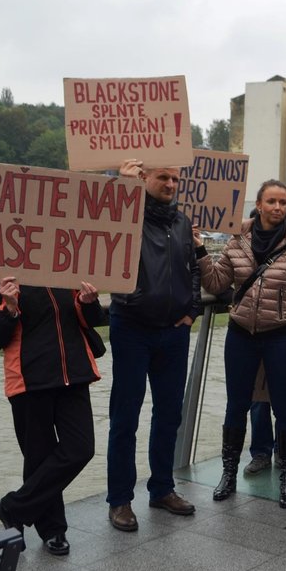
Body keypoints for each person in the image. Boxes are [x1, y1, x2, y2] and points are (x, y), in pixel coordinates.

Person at [196, 179, 286, 509]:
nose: (278, 208)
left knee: (285, 408)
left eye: (283, 202)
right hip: (240, 335)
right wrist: (199, 250)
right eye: (272, 202)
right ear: (259, 204)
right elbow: (217, 282)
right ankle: (229, 474)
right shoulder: (237, 240)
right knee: (236, 405)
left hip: (281, 337)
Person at [106, 160, 201, 532]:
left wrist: (192, 309)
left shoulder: (181, 222)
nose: (171, 184)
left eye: (176, 178)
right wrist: (119, 186)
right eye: (163, 177)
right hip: (131, 326)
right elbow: (96, 219)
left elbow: (193, 269)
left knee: (169, 415)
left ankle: (162, 488)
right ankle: (119, 500)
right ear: (144, 178)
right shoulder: (125, 213)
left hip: (173, 331)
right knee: (125, 417)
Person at [0, 276, 103, 556]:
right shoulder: (1, 276)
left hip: (74, 373)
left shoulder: (68, 266)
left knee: (81, 449)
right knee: (38, 458)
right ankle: (53, 529)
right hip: (28, 377)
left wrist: (88, 302)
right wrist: (10, 308)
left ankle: (13, 508)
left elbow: (93, 319)